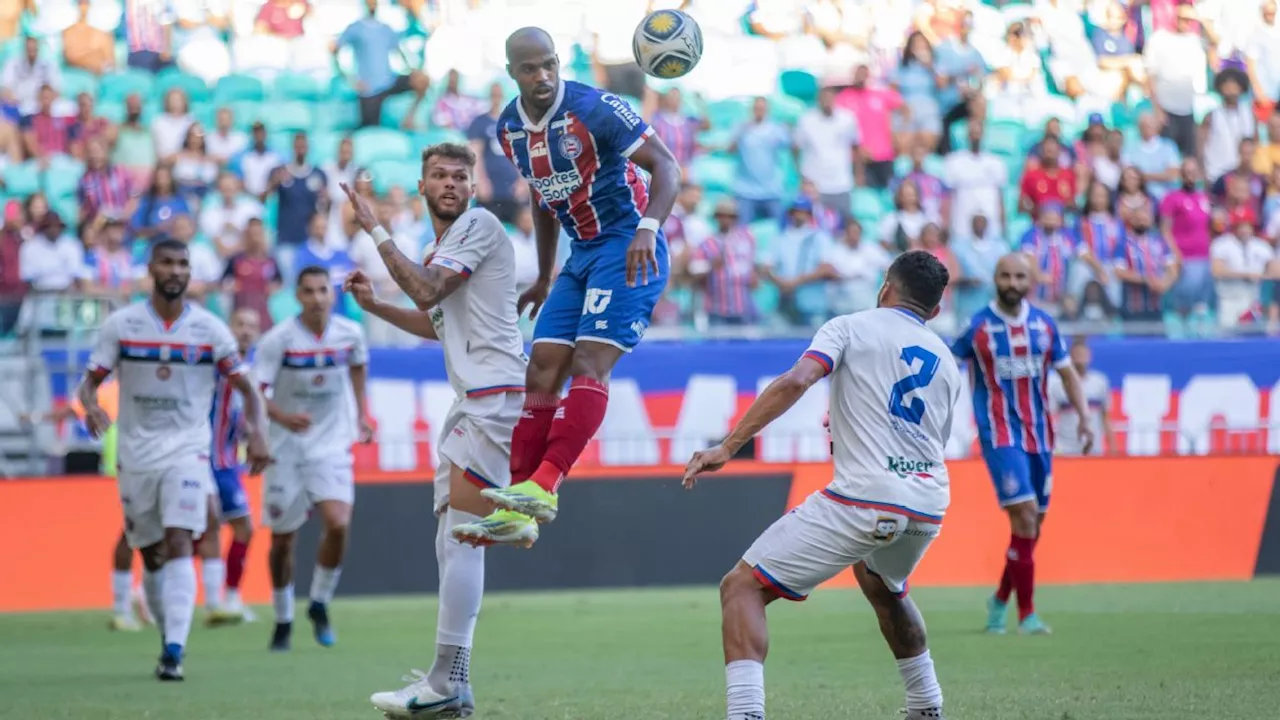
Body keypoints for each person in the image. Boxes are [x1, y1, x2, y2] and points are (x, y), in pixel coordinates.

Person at [683, 251, 962, 720]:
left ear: (883, 288)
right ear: (934, 311)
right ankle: (927, 704)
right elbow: (931, 435)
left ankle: (745, 713)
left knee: (742, 588)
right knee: (884, 583)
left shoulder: (850, 326)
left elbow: (798, 380)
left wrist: (728, 446)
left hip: (865, 498)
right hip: (928, 501)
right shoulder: (946, 360)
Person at [453, 27, 680, 540]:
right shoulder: (509, 127)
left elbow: (667, 165)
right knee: (542, 369)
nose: (544, 76)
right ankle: (516, 509)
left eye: (550, 64)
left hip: (628, 246)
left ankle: (546, 484)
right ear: (512, 72)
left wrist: (649, 227)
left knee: (588, 362)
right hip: (579, 257)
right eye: (531, 68)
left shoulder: (595, 107)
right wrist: (545, 271)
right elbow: (542, 195)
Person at [341, 142, 531, 718]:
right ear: (423, 187)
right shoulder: (444, 247)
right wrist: (375, 308)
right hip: (476, 402)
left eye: (459, 176)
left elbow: (425, 289)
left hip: (493, 400)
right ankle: (453, 681)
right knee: (450, 537)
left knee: (461, 538)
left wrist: (375, 230)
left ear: (472, 189)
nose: (450, 183)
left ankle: (447, 683)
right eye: (439, 176)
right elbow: (435, 318)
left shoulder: (477, 223)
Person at [76, 239, 270, 679]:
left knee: (182, 536)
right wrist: (90, 405)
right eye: (167, 262)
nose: (175, 270)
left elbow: (247, 388)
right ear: (151, 269)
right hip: (136, 454)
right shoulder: (123, 325)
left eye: (183, 263)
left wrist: (257, 432)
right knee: (152, 551)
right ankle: (168, 636)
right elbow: (89, 383)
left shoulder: (209, 329)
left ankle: (175, 652)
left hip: (188, 450)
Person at [950, 253, 1093, 636]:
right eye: (1005, 276)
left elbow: (1067, 374)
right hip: (999, 435)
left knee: (1031, 526)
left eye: (1019, 276)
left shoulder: (1044, 325)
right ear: (994, 279)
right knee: (1027, 516)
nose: (1012, 282)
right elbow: (945, 367)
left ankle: (998, 600)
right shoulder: (978, 327)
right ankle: (1027, 614)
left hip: (1040, 435)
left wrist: (1083, 416)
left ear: (1031, 281)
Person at [254, 266, 372, 652]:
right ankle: (283, 617)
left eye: (323, 290)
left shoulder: (350, 334)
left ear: (332, 294)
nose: (318, 297)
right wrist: (282, 417)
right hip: (285, 446)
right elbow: (255, 392)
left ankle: (319, 602)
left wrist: (362, 413)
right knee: (283, 540)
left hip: (331, 443)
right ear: (298, 296)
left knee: (338, 523)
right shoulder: (278, 340)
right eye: (309, 291)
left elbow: (357, 366)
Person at [202, 307, 263, 625]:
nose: (245, 330)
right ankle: (214, 602)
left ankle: (231, 598)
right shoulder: (214, 366)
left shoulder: (248, 371)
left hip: (227, 462)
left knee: (244, 528)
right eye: (240, 323)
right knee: (208, 525)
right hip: (199, 457)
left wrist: (252, 434)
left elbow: (238, 416)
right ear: (228, 328)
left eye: (251, 325)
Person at [336, 0, 429, 130]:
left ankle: (410, 118)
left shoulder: (385, 29)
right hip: (369, 89)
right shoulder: (355, 28)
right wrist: (350, 79)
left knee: (422, 80)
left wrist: (412, 70)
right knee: (370, 130)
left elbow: (399, 52)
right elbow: (335, 50)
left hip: (389, 81)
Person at [1048, 339, 1115, 457]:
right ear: (1070, 357)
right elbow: (1050, 416)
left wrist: (1112, 446)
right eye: (1077, 354)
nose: (1080, 358)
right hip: (1066, 447)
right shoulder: (1057, 385)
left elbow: (1105, 417)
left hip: (1094, 445)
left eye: (1083, 354)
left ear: (1089, 356)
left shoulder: (1100, 382)